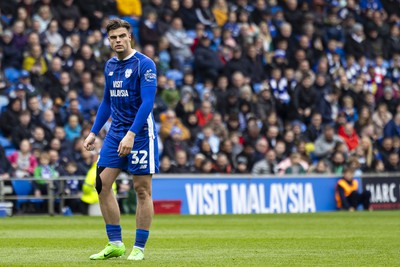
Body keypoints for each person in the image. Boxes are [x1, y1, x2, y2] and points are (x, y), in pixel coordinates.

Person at [83, 18, 159, 261]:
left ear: (130, 37)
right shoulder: (109, 66)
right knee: (101, 184)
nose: (117, 40)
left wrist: (132, 133)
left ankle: (139, 247)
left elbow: (147, 103)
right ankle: (115, 243)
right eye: (113, 37)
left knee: (142, 190)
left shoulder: (144, 65)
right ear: (109, 40)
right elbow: (107, 101)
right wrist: (94, 132)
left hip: (140, 134)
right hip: (116, 133)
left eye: (121, 36)